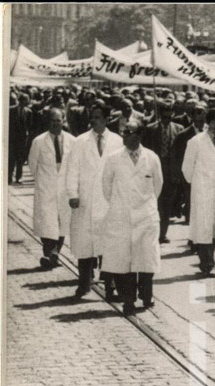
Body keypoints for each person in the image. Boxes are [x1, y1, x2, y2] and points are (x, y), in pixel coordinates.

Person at [101, 119, 163, 317]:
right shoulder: (113, 158)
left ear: (140, 135)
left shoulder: (152, 158)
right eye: (123, 132)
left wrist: (144, 206)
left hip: (146, 216)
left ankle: (146, 294)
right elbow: (106, 187)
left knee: (146, 259)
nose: (125, 136)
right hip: (121, 216)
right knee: (124, 261)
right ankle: (128, 300)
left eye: (129, 132)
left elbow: (158, 186)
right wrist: (122, 205)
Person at [65, 101, 121, 298]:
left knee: (108, 245)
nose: (94, 121)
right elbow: (72, 169)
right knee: (85, 244)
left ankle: (110, 287)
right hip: (86, 200)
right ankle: (84, 284)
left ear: (106, 119)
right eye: (92, 117)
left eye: (98, 117)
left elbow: (120, 171)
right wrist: (72, 194)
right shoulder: (80, 141)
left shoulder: (117, 141)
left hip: (108, 201)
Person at [183, 108, 215, 278]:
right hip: (203, 190)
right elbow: (187, 169)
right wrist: (198, 184)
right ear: (211, 123)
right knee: (203, 227)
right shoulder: (196, 141)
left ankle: (209, 258)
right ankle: (206, 263)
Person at [28, 106, 75, 270]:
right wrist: (44, 180)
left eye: (58, 120)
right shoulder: (39, 141)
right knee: (46, 222)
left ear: (63, 121)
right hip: (46, 187)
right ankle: (51, 253)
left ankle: (53, 254)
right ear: (47, 122)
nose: (56, 124)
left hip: (64, 188)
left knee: (63, 221)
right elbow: (33, 165)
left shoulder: (72, 141)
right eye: (52, 120)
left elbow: (75, 165)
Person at [142, 100, 184, 244]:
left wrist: (178, 172)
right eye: (164, 117)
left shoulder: (179, 129)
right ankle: (152, 232)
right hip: (154, 169)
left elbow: (180, 153)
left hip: (170, 170)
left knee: (166, 204)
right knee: (154, 202)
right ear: (160, 115)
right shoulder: (150, 129)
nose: (167, 120)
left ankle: (162, 233)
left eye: (169, 117)